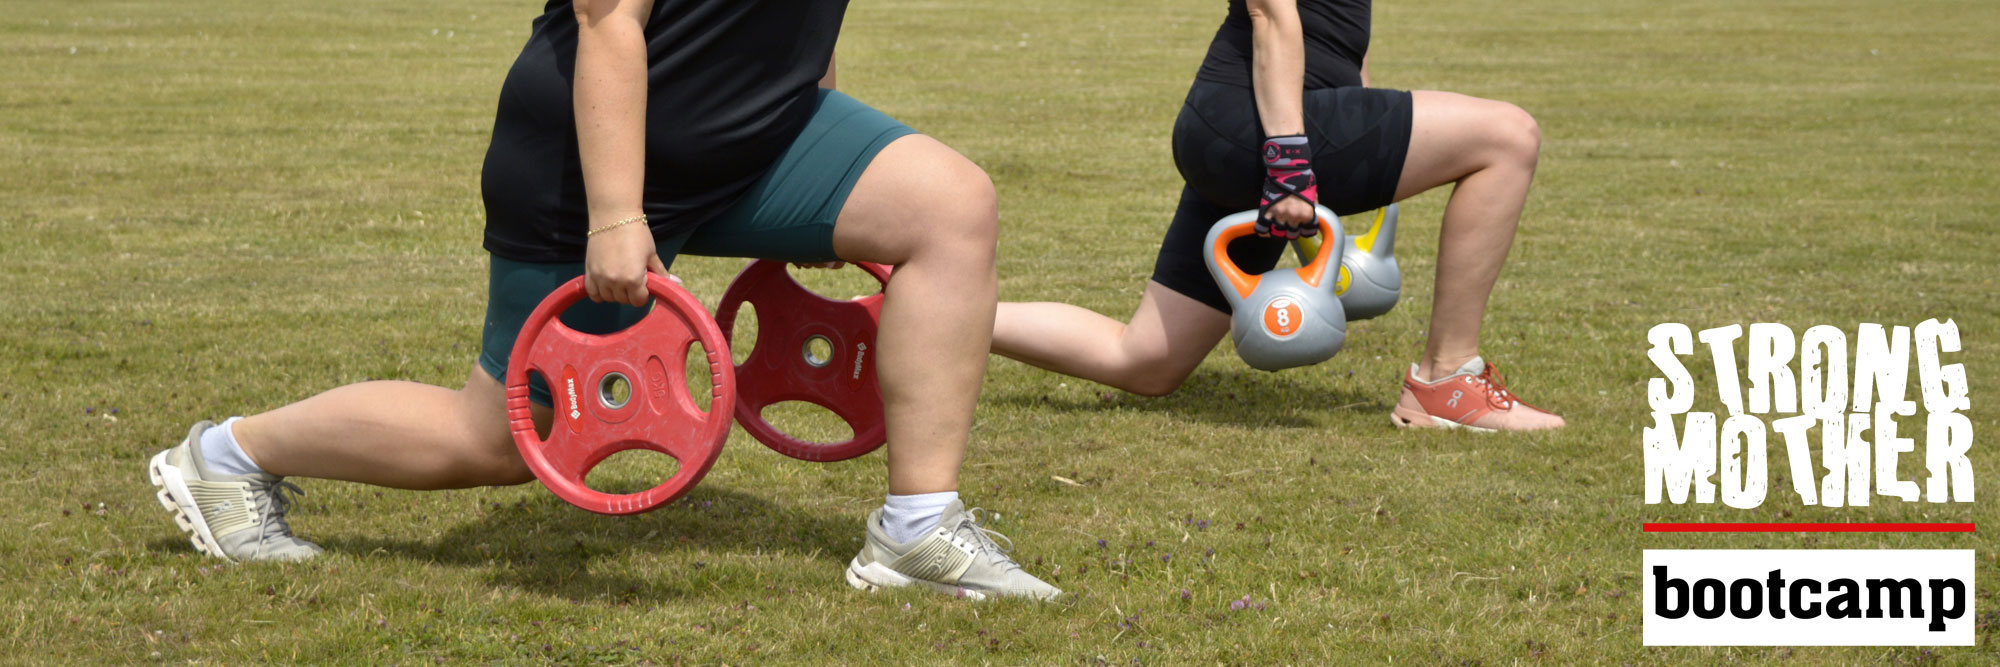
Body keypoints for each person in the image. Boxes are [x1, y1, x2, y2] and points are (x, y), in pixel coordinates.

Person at [145, 0, 1059, 601]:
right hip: (591, 160)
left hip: (760, 138)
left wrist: (820, 117)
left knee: (950, 204)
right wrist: (616, 212)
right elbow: (607, 13)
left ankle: (917, 528)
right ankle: (227, 456)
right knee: (499, 438)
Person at [991, 0, 1564, 432]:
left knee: (1145, 361)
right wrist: (1290, 166)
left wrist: (1337, 176)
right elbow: (1270, 14)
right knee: (1508, 137)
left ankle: (927, 315)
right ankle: (1447, 378)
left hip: (1255, 125)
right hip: (1256, 126)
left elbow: (1344, 43)